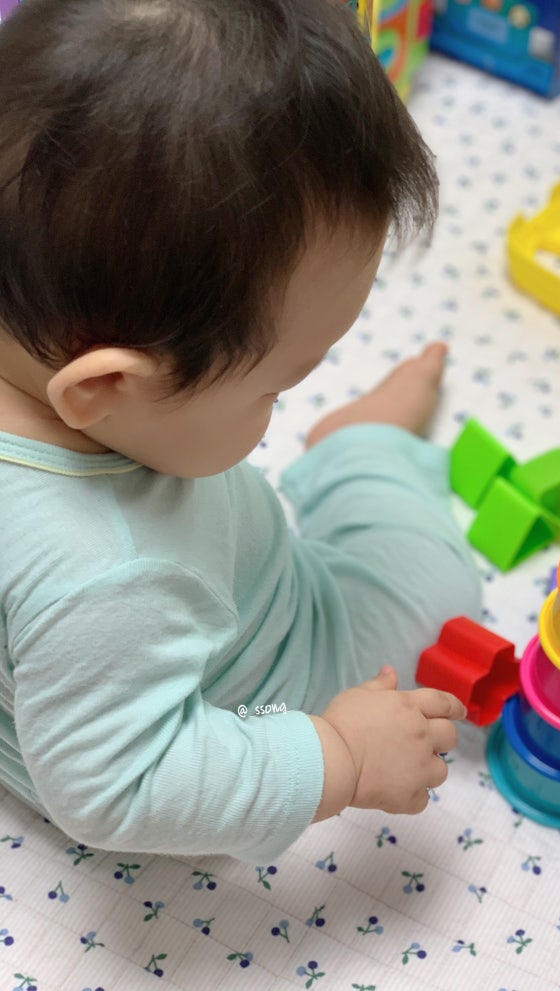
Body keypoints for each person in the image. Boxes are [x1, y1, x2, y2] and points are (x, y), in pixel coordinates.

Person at [0, 0, 481, 863]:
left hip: (88, 682)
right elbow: (122, 784)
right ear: (105, 386)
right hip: (265, 688)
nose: (278, 404)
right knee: (440, 601)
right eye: (275, 386)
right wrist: (338, 754)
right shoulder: (111, 575)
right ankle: (359, 450)